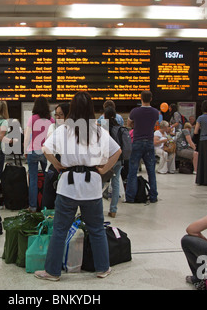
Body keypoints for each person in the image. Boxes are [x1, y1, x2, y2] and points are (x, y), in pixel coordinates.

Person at [35, 91, 121, 281]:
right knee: (97, 229)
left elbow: (45, 149)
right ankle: (102, 268)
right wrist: (103, 168)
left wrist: (57, 165)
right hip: (92, 186)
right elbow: (117, 151)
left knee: (60, 229)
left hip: (68, 186)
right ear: (91, 109)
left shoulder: (64, 129)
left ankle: (52, 272)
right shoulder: (99, 130)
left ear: (71, 108)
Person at [125, 90, 159, 203]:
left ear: (141, 98)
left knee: (133, 171)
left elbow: (128, 124)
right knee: (151, 171)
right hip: (149, 141)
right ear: (151, 99)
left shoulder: (135, 111)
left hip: (137, 141)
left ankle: (130, 197)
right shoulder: (155, 112)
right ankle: (153, 196)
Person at [23, 96, 55, 212]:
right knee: (48, 180)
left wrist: (25, 150)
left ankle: (33, 206)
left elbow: (27, 136)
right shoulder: (51, 120)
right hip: (46, 151)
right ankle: (46, 206)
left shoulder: (32, 118)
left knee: (33, 180)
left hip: (33, 150)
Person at [103, 107, 123, 218]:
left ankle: (96, 208)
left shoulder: (103, 127)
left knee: (99, 183)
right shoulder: (119, 127)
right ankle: (113, 210)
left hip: (107, 158)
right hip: (119, 158)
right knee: (115, 183)